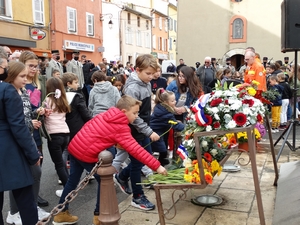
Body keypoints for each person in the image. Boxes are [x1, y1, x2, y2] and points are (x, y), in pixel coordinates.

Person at [53, 95, 168, 225]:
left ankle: (61, 213)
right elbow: (136, 150)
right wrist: (157, 166)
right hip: (86, 154)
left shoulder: (106, 114)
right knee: (105, 182)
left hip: (75, 147)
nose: (137, 116)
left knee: (72, 181)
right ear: (124, 112)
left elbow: (93, 129)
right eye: (135, 113)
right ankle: (99, 216)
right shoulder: (121, 127)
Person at [113, 54, 161, 211]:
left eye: (152, 74)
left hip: (142, 128)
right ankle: (137, 196)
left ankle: (121, 176)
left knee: (142, 160)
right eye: (148, 74)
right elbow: (133, 117)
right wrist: (148, 131)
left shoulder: (144, 82)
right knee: (136, 163)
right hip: (134, 130)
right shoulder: (133, 88)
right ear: (138, 70)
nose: (151, 77)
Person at [5, 61, 50, 224]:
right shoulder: (8, 93)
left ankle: (23, 210)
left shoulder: (23, 91)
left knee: (31, 175)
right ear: (12, 76)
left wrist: (36, 112)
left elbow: (24, 115)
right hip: (19, 142)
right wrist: (31, 124)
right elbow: (15, 123)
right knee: (21, 178)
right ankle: (15, 212)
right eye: (22, 76)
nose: (26, 79)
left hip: (27, 138)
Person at [0, 49, 41, 225]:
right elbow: (18, 127)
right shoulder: (7, 90)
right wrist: (33, 155)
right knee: (25, 198)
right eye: (4, 65)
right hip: (9, 149)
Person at [19, 50, 49, 207]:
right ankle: (28, 200)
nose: (34, 69)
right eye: (30, 66)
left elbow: (39, 104)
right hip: (26, 128)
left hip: (37, 129)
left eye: (36, 66)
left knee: (39, 163)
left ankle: (35, 195)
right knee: (29, 166)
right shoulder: (19, 84)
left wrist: (43, 110)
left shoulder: (38, 83)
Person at [44, 77, 71, 191]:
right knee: (62, 163)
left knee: (59, 164)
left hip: (54, 135)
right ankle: (69, 184)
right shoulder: (63, 100)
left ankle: (68, 188)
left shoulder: (47, 101)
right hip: (65, 133)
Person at [150, 88, 185, 166]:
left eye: (175, 100)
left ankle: (161, 161)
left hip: (161, 131)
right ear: (166, 102)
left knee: (163, 147)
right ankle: (158, 164)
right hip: (156, 132)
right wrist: (186, 128)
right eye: (172, 101)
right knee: (161, 149)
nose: (175, 102)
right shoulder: (165, 113)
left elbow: (172, 121)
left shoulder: (162, 108)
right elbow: (175, 125)